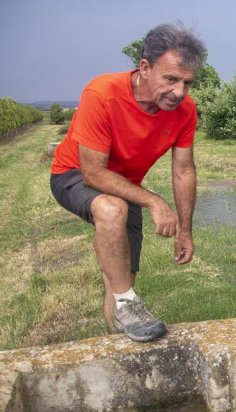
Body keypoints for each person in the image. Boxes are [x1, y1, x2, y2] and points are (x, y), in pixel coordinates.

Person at [50, 23, 206, 342]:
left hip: (123, 184)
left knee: (121, 278)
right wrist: (154, 201)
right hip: (72, 173)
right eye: (171, 79)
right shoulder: (102, 94)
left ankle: (119, 341)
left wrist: (186, 231)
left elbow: (184, 170)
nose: (179, 92)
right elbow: (93, 173)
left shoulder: (185, 111)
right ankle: (127, 305)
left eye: (187, 83)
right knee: (111, 209)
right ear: (145, 68)